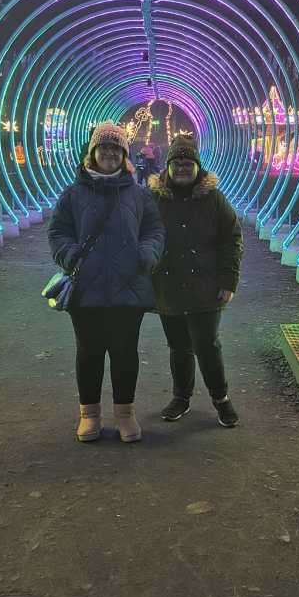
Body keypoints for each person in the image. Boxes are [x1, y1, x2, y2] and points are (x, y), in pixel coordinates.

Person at [47, 122, 165, 445]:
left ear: (124, 154)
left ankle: (125, 414)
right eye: (104, 147)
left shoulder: (138, 194)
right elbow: (58, 232)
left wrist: (146, 254)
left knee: (125, 352)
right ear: (93, 152)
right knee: (89, 352)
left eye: (116, 148)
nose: (110, 153)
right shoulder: (73, 194)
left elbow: (154, 230)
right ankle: (90, 414)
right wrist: (71, 256)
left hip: (129, 284)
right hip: (87, 286)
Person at [149, 136, 244, 429]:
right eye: (176, 163)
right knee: (178, 346)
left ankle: (221, 398)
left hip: (206, 286)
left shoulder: (214, 198)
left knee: (207, 345)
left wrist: (228, 281)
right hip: (167, 285)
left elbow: (232, 240)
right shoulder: (154, 198)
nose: (182, 168)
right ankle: (181, 397)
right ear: (168, 166)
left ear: (197, 167)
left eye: (187, 163)